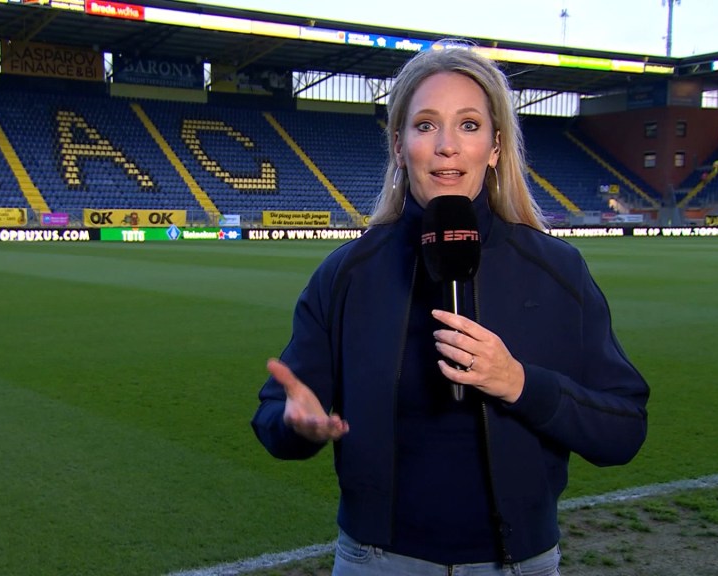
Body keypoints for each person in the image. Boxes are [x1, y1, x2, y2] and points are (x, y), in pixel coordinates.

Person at [251, 41, 649, 576]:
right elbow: (275, 412)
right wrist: (293, 423)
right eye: (425, 125)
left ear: (495, 146)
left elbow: (624, 429)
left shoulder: (558, 271)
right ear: (399, 145)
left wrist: (519, 383)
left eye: (468, 125)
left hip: (519, 564)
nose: (447, 147)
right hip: (377, 563)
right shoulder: (346, 274)